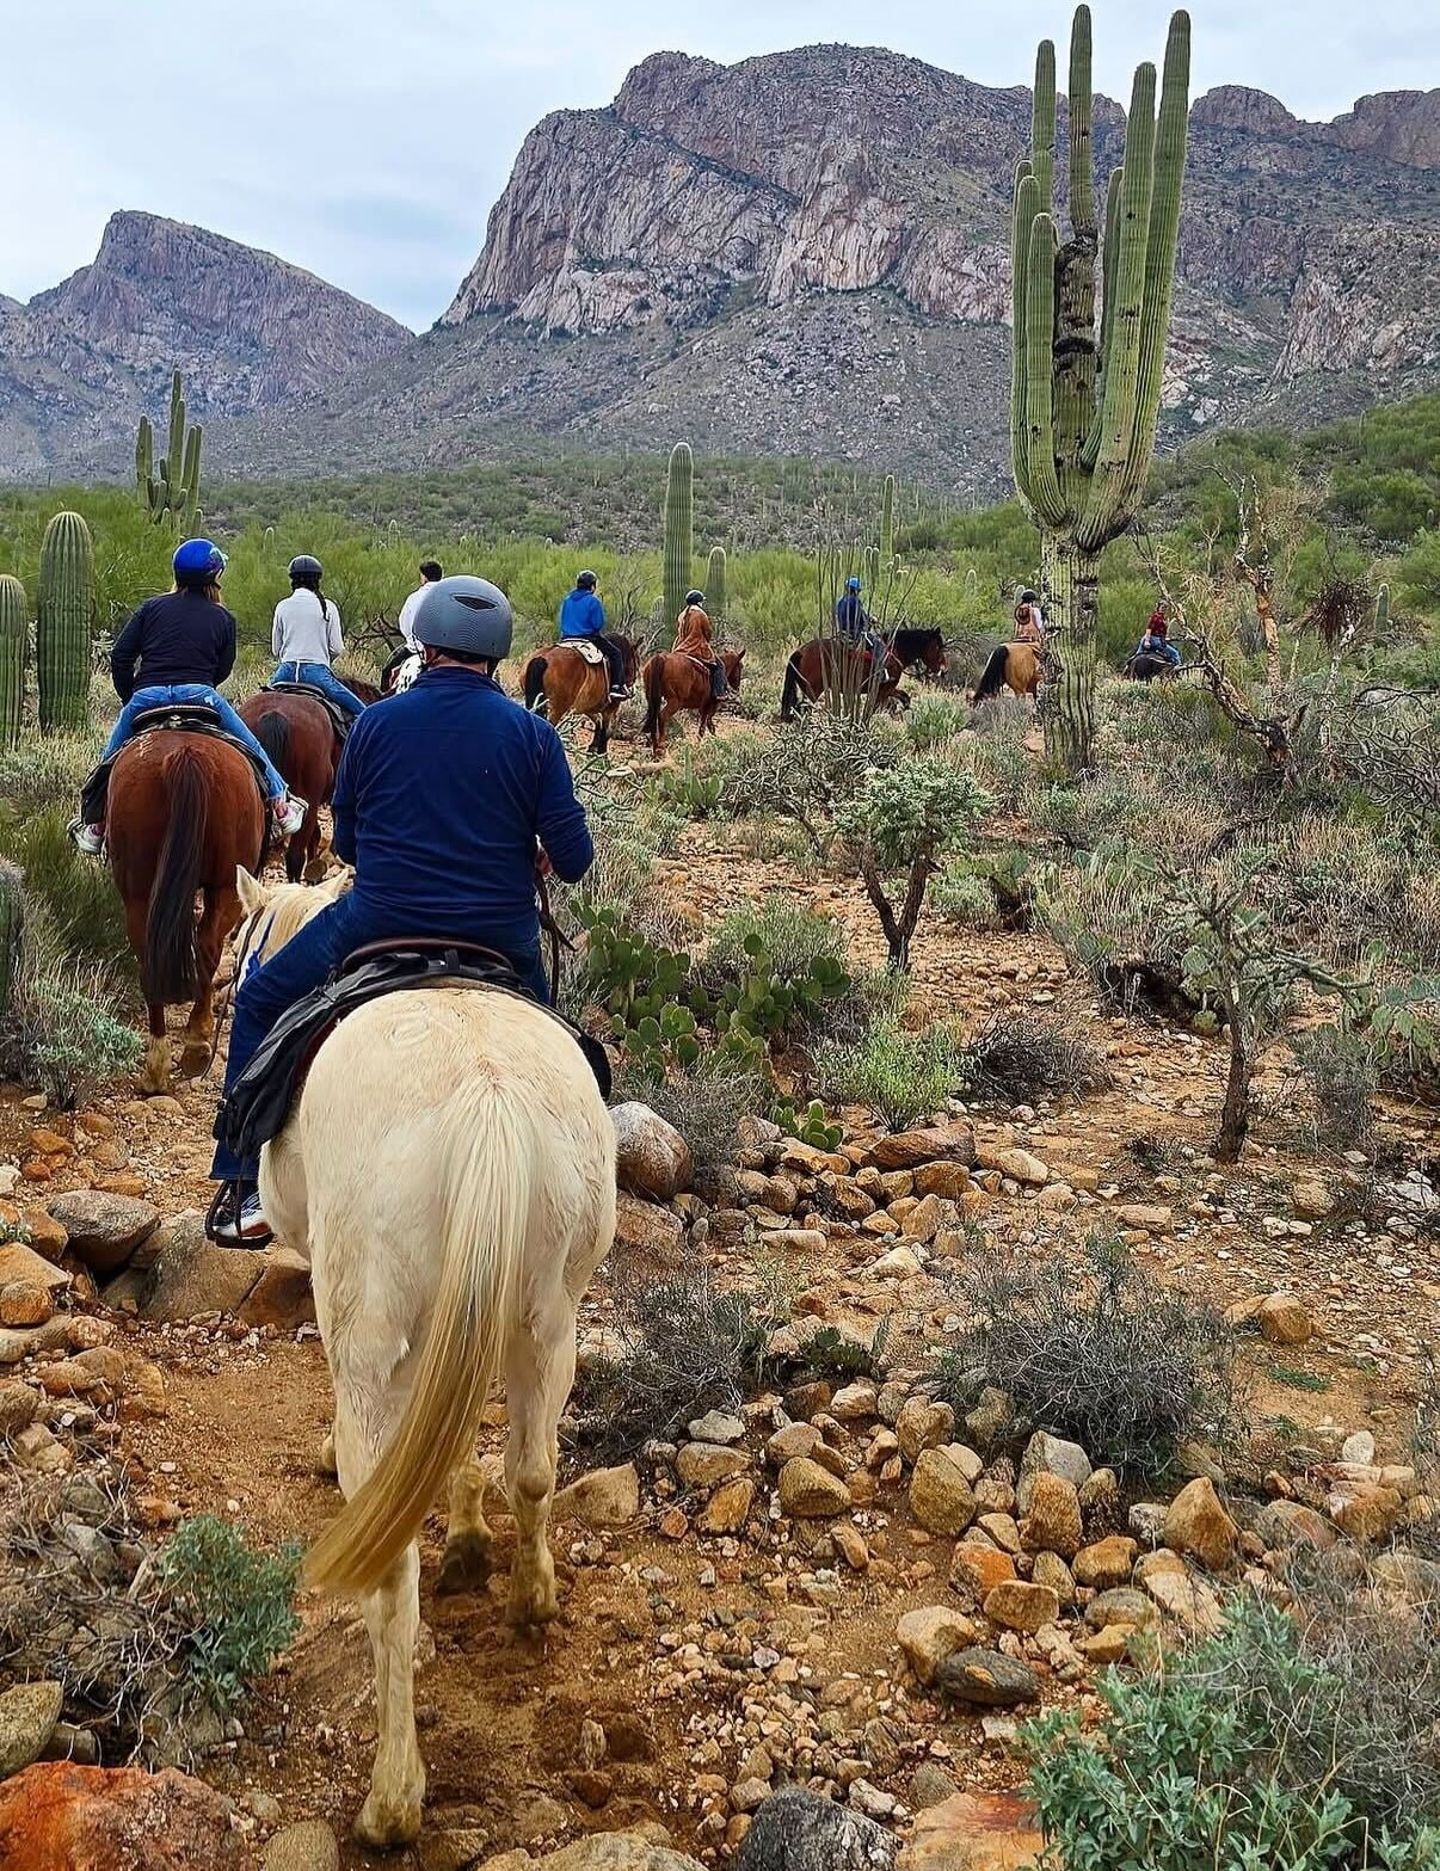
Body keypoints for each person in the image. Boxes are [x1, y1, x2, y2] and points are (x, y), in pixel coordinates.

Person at [209, 574, 594, 1244]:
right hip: (501, 935)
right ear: (497, 653)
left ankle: (242, 1187)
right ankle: (582, 1190)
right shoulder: (535, 736)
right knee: (574, 1060)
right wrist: (529, 848)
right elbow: (576, 858)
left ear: (426, 644)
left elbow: (350, 841)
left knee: (265, 995)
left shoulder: (377, 722)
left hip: (377, 920)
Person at [71, 539, 305, 855]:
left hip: (147, 695)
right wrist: (201, 683)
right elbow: (223, 668)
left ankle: (94, 823)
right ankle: (280, 803)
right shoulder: (223, 618)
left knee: (108, 759)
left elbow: (121, 656)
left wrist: (133, 697)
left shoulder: (150, 608)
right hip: (200, 694)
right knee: (253, 748)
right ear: (215, 576)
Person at [270, 556, 365, 721]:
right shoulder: (328, 607)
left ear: (292, 579)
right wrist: (324, 660)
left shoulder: (282, 606)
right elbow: (337, 648)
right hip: (316, 673)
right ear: (317, 580)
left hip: (285, 672)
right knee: (362, 711)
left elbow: (276, 649)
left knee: (259, 702)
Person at [558, 569, 629, 702]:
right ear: (592, 586)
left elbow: (561, 621)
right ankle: (615, 687)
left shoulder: (567, 600)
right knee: (615, 654)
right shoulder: (593, 601)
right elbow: (598, 624)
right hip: (588, 638)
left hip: (566, 639)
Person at [674, 589, 726, 698]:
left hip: (680, 647)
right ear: (698, 602)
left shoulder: (681, 615)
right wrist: (706, 641)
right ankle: (718, 693)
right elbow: (708, 633)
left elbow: (679, 631)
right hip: (696, 647)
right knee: (719, 666)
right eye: (701, 601)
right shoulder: (701, 614)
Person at [834, 575, 885, 663]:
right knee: (876, 644)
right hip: (854, 634)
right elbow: (862, 618)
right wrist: (870, 621)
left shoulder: (841, 601)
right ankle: (879, 670)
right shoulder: (855, 600)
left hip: (842, 633)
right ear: (856, 590)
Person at [397, 558, 443, 653]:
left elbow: (404, 625)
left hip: (416, 649)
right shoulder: (448, 595)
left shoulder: (414, 598)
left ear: (425, 577)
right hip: (443, 651)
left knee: (390, 668)